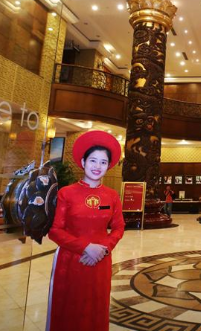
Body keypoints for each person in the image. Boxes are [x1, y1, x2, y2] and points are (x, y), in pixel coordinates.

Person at [47, 131, 125, 331]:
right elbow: (55, 230)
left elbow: (119, 227)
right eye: (93, 160)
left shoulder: (112, 196)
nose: (97, 166)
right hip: (72, 259)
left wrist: (104, 248)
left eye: (103, 162)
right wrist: (85, 247)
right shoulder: (66, 193)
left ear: (108, 165)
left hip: (101, 259)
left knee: (96, 306)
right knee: (70, 308)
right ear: (83, 162)